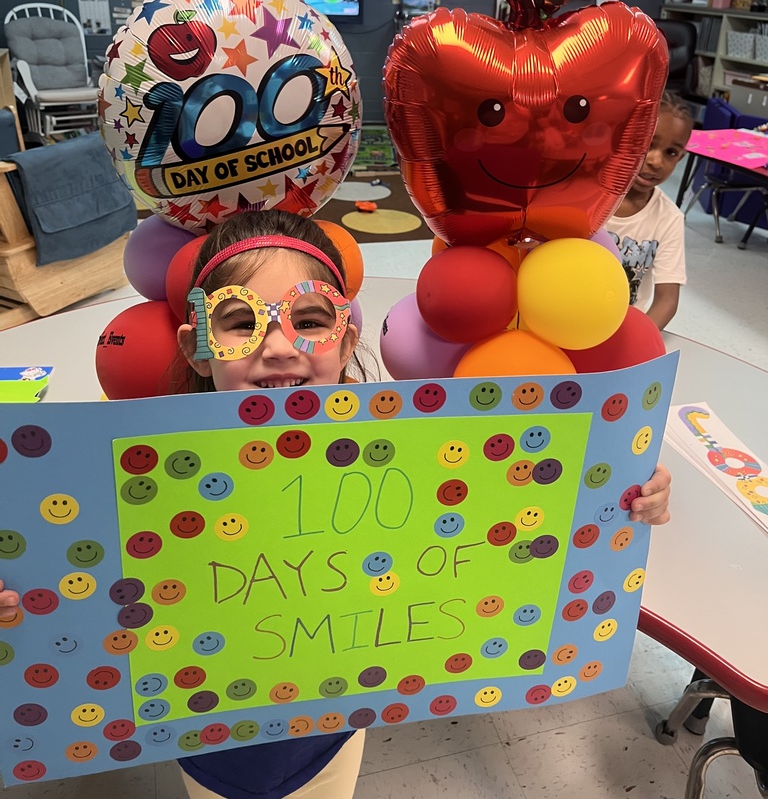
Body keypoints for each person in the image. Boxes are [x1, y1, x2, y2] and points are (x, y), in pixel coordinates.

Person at [0, 207, 672, 798]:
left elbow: (526, 509)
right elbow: (65, 553)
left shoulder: (401, 454)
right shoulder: (146, 472)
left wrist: (626, 494)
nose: (279, 346)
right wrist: (19, 589)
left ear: (346, 340)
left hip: (335, 726)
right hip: (206, 739)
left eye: (310, 319)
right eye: (239, 323)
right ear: (197, 349)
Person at [604, 91, 693, 331]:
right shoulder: (589, 197)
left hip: (622, 329)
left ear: (681, 158)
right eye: (647, 143)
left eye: (671, 153)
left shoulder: (669, 219)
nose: (656, 161)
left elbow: (667, 299)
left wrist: (640, 341)